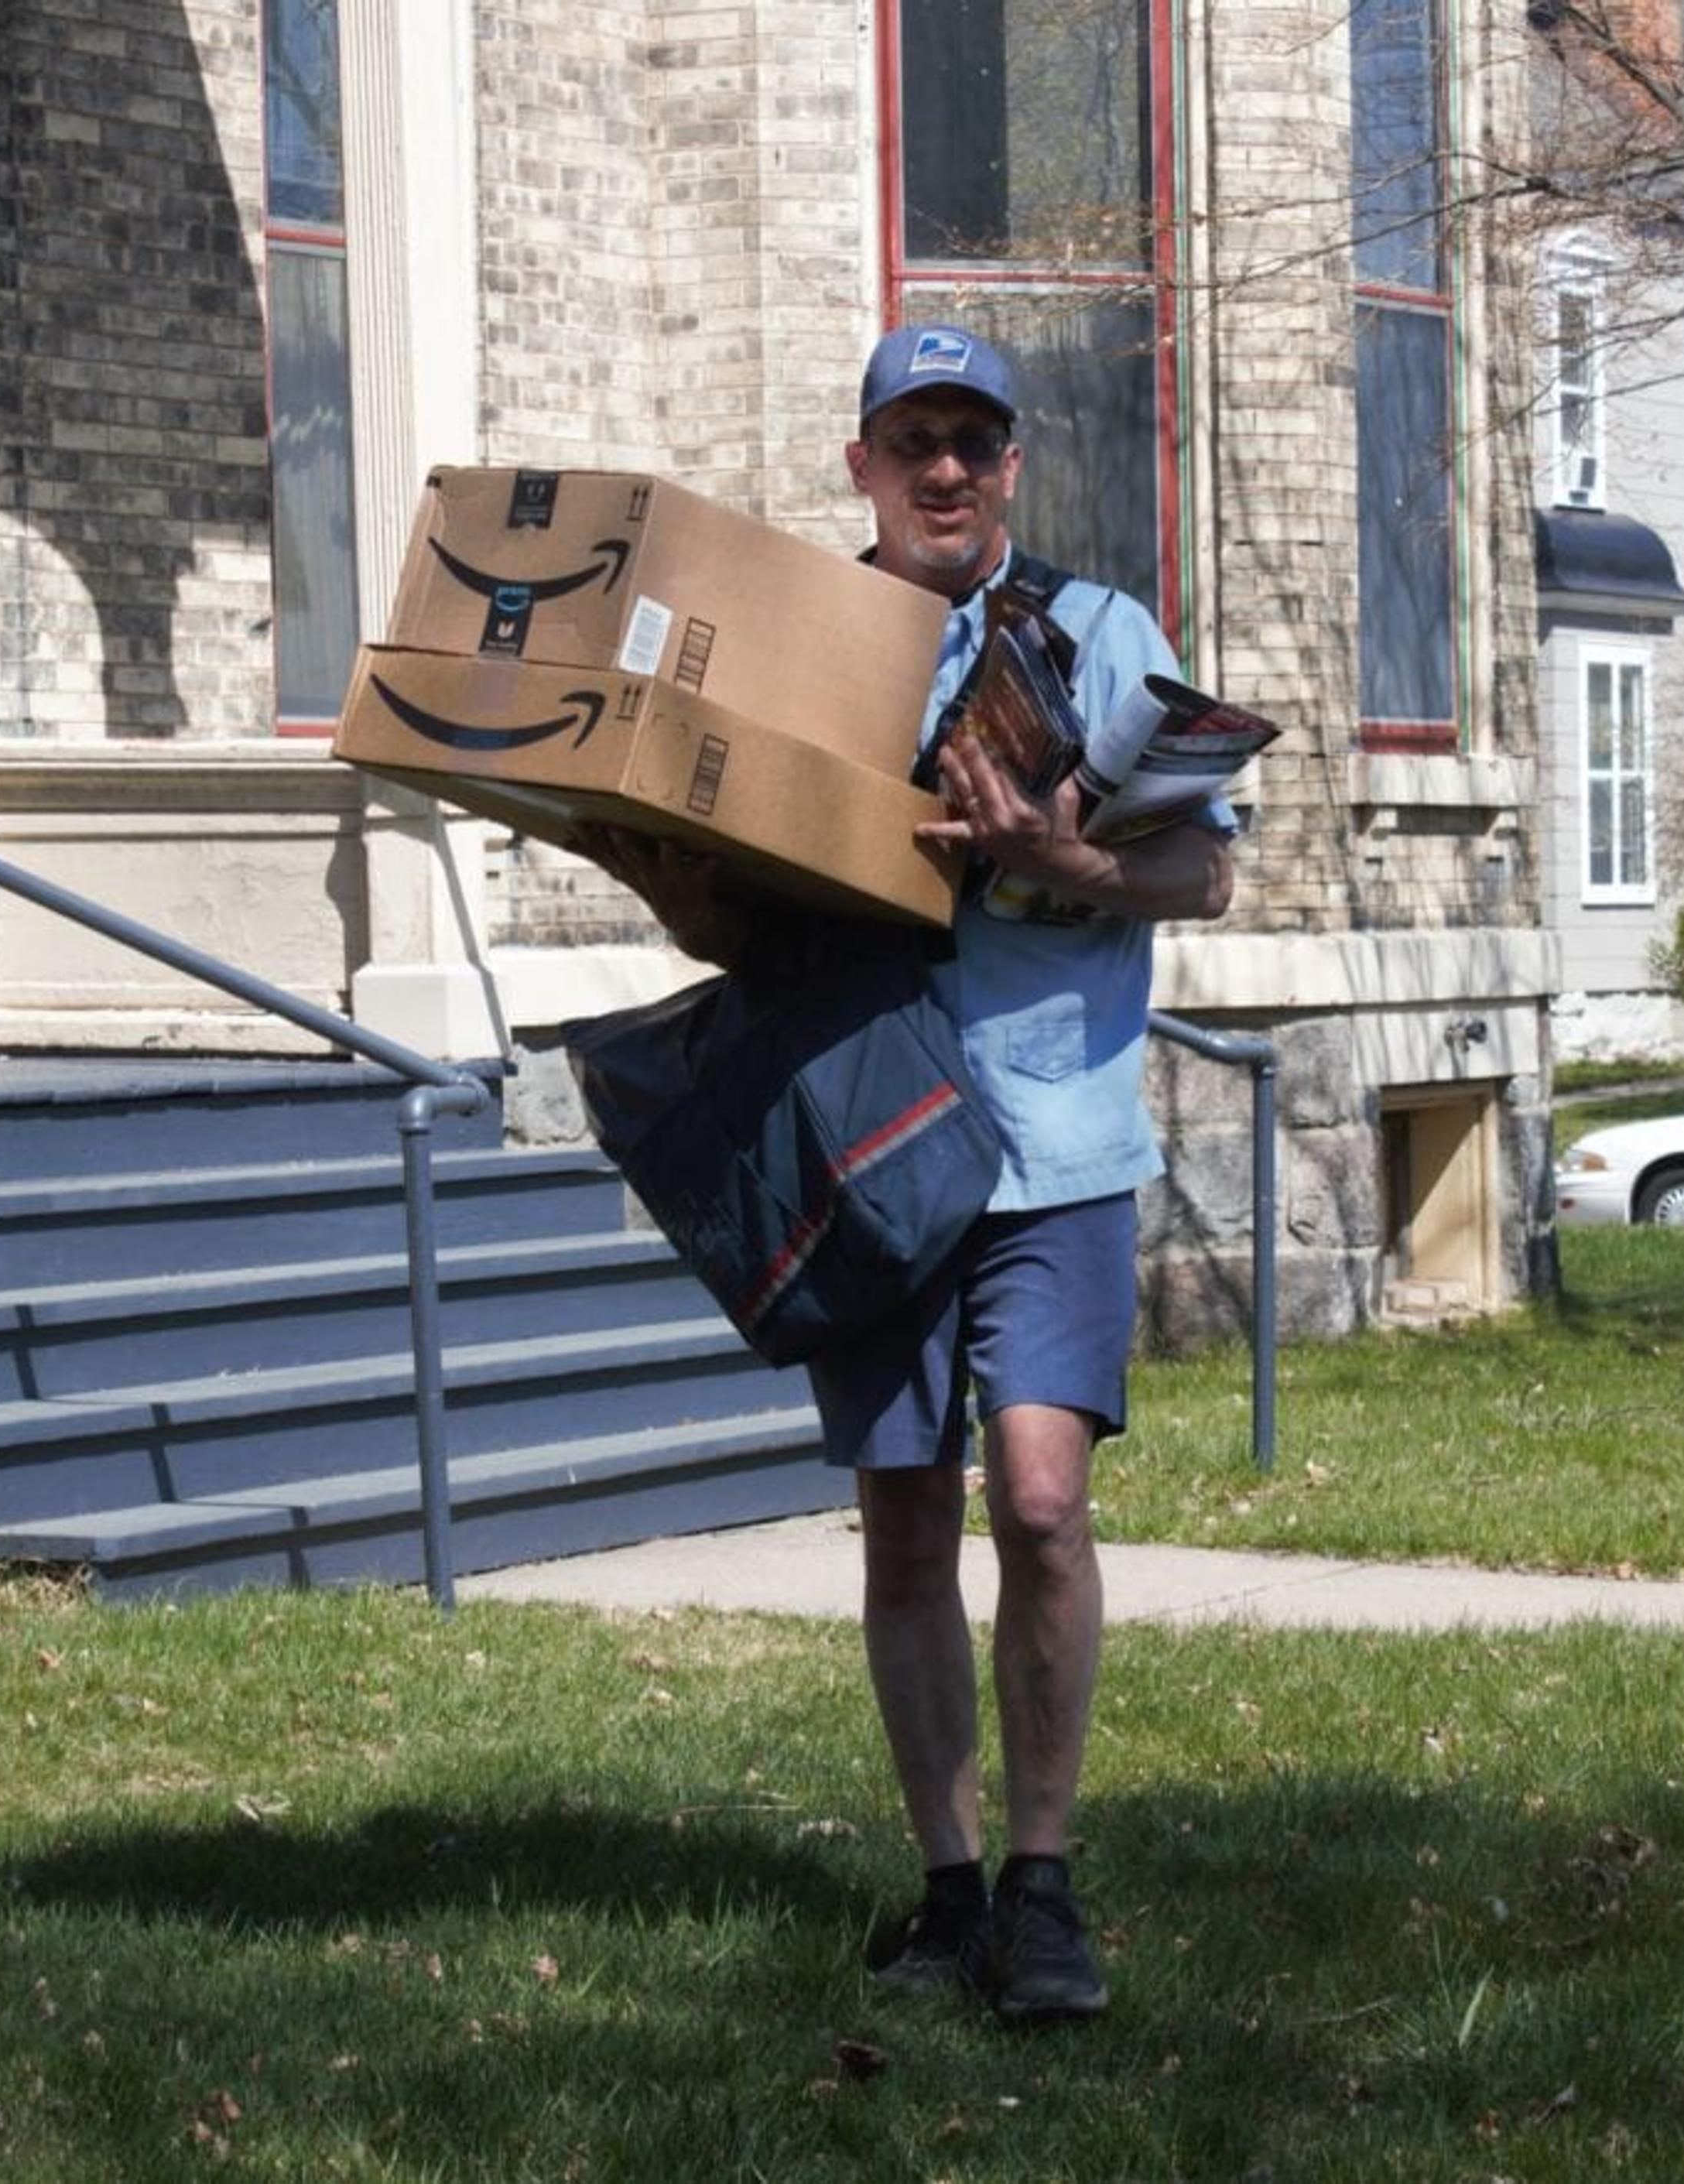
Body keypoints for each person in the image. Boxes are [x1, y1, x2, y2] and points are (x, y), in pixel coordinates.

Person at [582, 323, 1236, 2025]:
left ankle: (1044, 1881)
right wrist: (663, 870)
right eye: (912, 440)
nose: (946, 470)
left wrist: (1062, 852)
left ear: (1012, 463)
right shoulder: (809, 649)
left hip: (1053, 1145)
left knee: (1039, 1499)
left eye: (975, 441)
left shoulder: (1096, 636)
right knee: (899, 1525)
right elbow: (746, 908)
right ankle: (949, 1891)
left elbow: (1205, 879)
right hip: (862, 1145)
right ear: (862, 462)